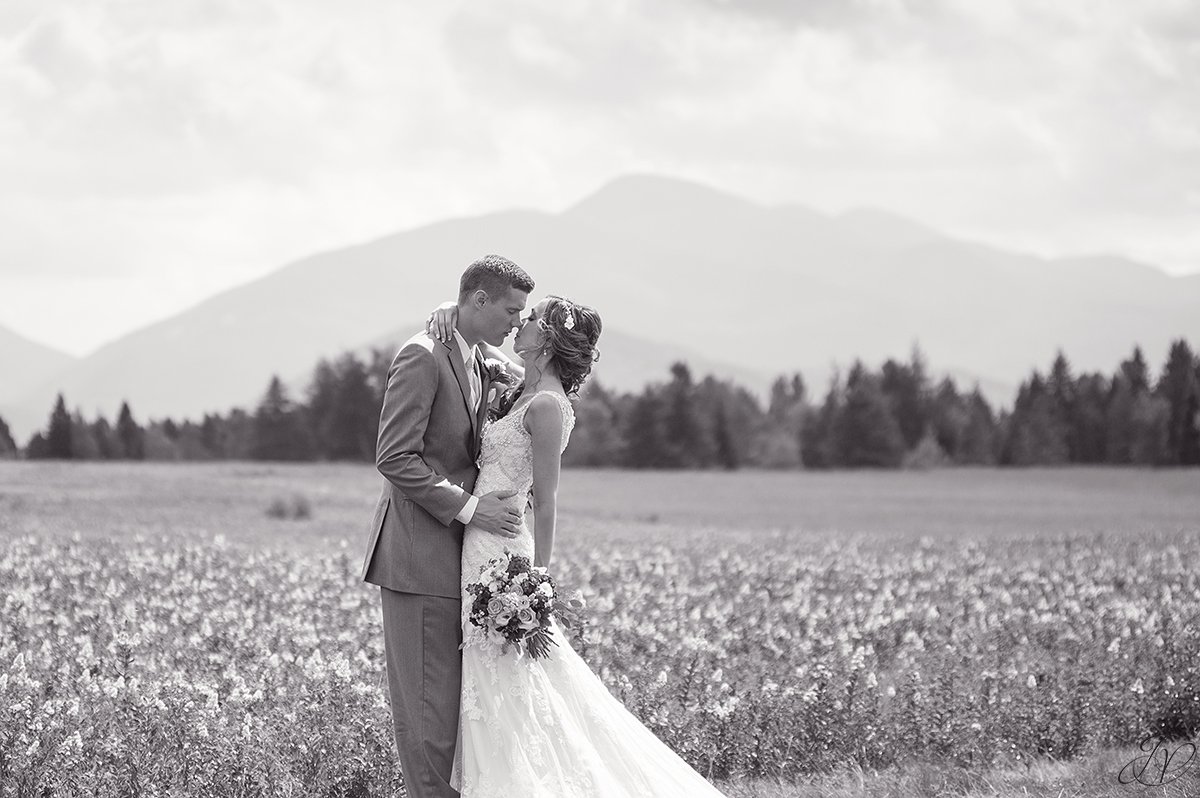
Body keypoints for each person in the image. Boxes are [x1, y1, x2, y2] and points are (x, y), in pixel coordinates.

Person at [425, 296, 730, 797]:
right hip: (477, 545)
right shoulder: (524, 385)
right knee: (491, 680)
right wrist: (446, 309)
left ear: (547, 342)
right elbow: (474, 349)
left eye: (533, 319)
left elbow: (546, 504)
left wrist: (533, 583)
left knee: (511, 680)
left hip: (502, 555)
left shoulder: (547, 406)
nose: (520, 323)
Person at [361, 255, 536, 798]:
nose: (515, 322)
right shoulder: (421, 356)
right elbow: (394, 457)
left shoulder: (485, 360)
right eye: (510, 310)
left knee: (460, 721)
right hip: (418, 559)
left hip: (466, 562)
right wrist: (469, 508)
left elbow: (541, 378)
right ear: (478, 300)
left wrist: (449, 311)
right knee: (427, 720)